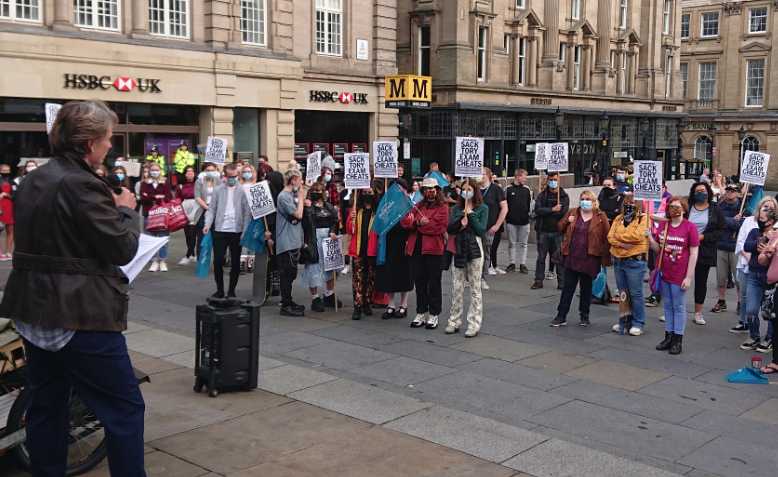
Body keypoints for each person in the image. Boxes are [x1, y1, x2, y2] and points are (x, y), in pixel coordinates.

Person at [0, 100, 146, 476]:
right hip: (78, 313)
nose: (110, 146)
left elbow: (57, 239)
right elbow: (122, 247)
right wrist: (126, 210)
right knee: (124, 409)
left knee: (48, 404)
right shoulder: (82, 184)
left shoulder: (35, 178)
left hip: (35, 309)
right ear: (88, 143)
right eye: (108, 139)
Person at [550, 190, 611, 327]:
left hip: (589, 258)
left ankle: (584, 315)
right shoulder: (573, 212)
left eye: (588, 199)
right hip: (572, 256)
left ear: (594, 201)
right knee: (568, 288)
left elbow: (607, 237)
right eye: (583, 198)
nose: (585, 201)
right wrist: (567, 222)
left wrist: (604, 258)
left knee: (586, 289)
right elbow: (559, 227)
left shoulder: (601, 217)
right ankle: (561, 315)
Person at [651, 197, 699, 355]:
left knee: (678, 306)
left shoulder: (690, 227)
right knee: (667, 306)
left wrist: (689, 277)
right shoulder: (665, 225)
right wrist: (649, 238)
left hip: (680, 273)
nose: (674, 210)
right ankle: (668, 336)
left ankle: (678, 339)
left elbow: (693, 253)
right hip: (665, 272)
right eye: (671, 206)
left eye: (677, 207)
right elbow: (658, 249)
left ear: (684, 209)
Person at [446, 179, 488, 337]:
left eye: (469, 189)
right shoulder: (456, 208)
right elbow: (450, 228)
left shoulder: (483, 208)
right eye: (463, 189)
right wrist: (459, 223)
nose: (466, 192)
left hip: (474, 248)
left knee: (475, 288)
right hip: (459, 247)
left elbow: (481, 230)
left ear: (474, 190)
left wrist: (470, 216)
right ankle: (454, 320)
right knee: (457, 286)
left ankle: (474, 323)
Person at [406, 178, 449, 329]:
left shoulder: (443, 207)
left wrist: (419, 225)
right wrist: (418, 223)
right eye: (426, 189)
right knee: (420, 282)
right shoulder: (418, 205)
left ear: (437, 190)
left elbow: (438, 228)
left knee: (434, 283)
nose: (429, 192)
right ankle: (421, 312)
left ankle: (434, 314)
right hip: (417, 249)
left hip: (434, 250)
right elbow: (406, 221)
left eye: (432, 189)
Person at [203, 163, 250, 298]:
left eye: (235, 176)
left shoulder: (242, 191)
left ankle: (231, 291)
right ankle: (220, 290)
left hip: (237, 230)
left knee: (235, 262)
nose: (232, 179)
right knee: (218, 261)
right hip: (220, 229)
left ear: (238, 176)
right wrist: (207, 224)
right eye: (230, 176)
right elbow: (211, 209)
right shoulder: (218, 190)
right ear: (225, 175)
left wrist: (245, 231)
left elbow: (247, 213)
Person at [732, 197, 776, 334]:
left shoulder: (776, 232)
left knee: (769, 310)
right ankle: (754, 335)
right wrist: (758, 245)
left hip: (770, 277)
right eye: (765, 208)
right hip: (753, 273)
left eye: (770, 209)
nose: (766, 214)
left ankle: (769, 338)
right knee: (751, 309)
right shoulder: (755, 231)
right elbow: (745, 244)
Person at [608, 194, 649, 335]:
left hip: (635, 261)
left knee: (636, 293)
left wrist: (619, 237)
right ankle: (624, 320)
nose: (629, 204)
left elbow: (637, 236)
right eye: (627, 201)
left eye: (632, 202)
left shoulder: (643, 218)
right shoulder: (618, 218)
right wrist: (621, 242)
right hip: (619, 260)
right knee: (623, 293)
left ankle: (638, 322)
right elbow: (610, 237)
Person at [686, 182, 725, 325]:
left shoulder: (715, 209)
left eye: (703, 190)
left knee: (701, 282)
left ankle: (698, 312)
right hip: (685, 248)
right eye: (697, 191)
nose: (700, 193)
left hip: (704, 250)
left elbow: (721, 230)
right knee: (678, 278)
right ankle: (675, 308)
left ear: (708, 192)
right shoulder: (688, 207)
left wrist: (704, 237)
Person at [375, 179, 414, 320]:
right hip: (389, 243)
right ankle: (391, 305)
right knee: (389, 273)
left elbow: (413, 224)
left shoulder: (409, 204)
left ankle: (403, 305)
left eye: (400, 188)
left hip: (404, 243)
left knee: (405, 274)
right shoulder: (386, 204)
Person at [300, 182, 340, 312]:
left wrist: (333, 231)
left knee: (330, 268)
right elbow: (304, 224)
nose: (318, 192)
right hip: (313, 239)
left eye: (320, 190)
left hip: (328, 239)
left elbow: (335, 220)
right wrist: (305, 206)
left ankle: (329, 294)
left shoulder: (329, 206)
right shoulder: (308, 207)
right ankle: (315, 297)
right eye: (315, 190)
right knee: (313, 268)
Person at [274, 167, 307, 316]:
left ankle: (288, 299)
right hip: (285, 241)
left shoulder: (292, 195)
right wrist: (301, 198)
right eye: (300, 180)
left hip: (294, 240)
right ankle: (285, 304)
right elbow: (298, 214)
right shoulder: (284, 196)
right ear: (293, 180)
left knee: (292, 273)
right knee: (286, 273)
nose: (301, 183)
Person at [532, 172, 569, 289]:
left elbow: (562, 212)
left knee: (559, 258)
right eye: (551, 179)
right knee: (541, 257)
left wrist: (547, 211)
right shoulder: (542, 195)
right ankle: (538, 280)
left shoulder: (563, 196)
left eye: (555, 179)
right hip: (543, 231)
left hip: (558, 232)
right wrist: (552, 209)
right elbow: (538, 210)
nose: (553, 182)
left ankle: (562, 282)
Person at [347, 186, 379, 320]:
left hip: (372, 251)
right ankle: (357, 306)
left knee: (370, 279)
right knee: (358, 280)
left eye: (370, 193)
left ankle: (367, 303)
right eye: (365, 192)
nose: (367, 195)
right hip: (358, 251)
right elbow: (350, 230)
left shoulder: (377, 212)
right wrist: (351, 219)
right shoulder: (355, 210)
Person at [711, 184, 742, 314]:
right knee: (721, 277)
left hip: (735, 247)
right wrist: (731, 221)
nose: (730, 192)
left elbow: (741, 225)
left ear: (738, 193)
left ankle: (741, 302)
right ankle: (721, 301)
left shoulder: (743, 207)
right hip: (721, 245)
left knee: (738, 278)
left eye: (733, 191)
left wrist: (729, 222)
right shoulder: (720, 206)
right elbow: (716, 222)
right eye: (728, 190)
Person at [139, 162, 172, 272]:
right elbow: (143, 199)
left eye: (157, 169)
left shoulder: (165, 182)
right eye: (152, 169)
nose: (154, 172)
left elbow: (168, 197)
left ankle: (162, 260)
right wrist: (157, 197)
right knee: (150, 238)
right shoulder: (144, 183)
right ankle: (153, 260)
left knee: (163, 238)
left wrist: (151, 197)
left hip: (162, 214)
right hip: (148, 214)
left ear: (160, 171)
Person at [479, 168, 508, 279]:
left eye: (482, 174)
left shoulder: (496, 189)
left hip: (489, 227)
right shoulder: (474, 189)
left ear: (488, 175)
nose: (480, 176)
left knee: (486, 252)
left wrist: (497, 225)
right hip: (476, 227)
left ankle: (483, 276)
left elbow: (504, 208)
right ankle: (475, 276)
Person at [505, 169, 532, 274]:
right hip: (511, 221)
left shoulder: (527, 189)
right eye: (524, 177)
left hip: (525, 221)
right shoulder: (508, 189)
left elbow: (530, 203)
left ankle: (522, 264)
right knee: (512, 243)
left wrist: (529, 215)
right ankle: (512, 263)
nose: (525, 179)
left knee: (524, 244)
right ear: (518, 176)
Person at [177, 166, 198, 265]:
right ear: (184, 174)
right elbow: (178, 199)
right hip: (184, 209)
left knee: (192, 233)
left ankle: (188, 255)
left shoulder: (199, 184)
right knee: (187, 234)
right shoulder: (180, 186)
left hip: (196, 208)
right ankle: (192, 254)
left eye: (191, 171)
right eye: (187, 171)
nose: (189, 173)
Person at [0, 163, 15, 260]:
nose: (6, 172)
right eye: (3, 170)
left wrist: (6, 194)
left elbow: (15, 196)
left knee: (10, 230)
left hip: (10, 207)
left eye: (7, 170)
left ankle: (9, 252)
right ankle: (0, 253)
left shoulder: (12, 181)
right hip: (0, 207)